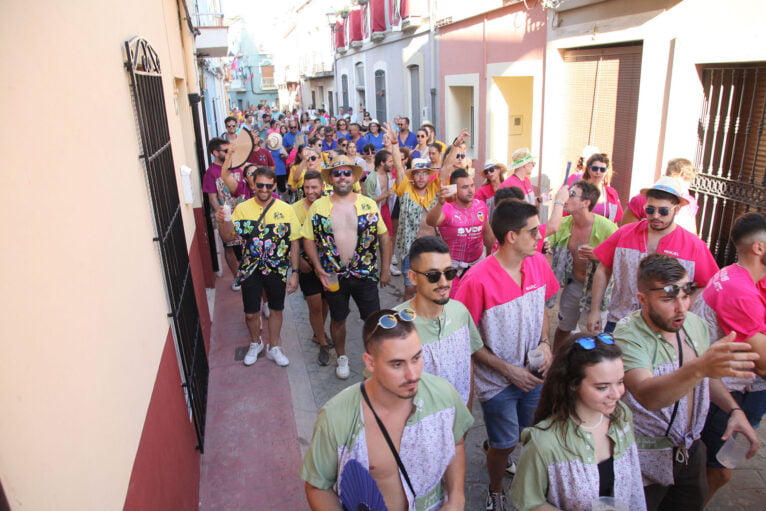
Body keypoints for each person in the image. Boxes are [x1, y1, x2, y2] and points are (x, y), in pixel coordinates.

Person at [613, 254, 760, 511]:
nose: (682, 307)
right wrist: (700, 367)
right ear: (643, 299)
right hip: (641, 458)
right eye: (668, 299)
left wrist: (734, 410)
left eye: (686, 294)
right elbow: (648, 396)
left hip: (690, 451)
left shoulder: (695, 325)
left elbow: (705, 378)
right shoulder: (628, 335)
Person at [300, 309, 473, 510]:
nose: (412, 375)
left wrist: (456, 498)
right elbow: (317, 487)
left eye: (416, 358)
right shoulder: (337, 417)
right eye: (397, 364)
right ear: (370, 363)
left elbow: (456, 443)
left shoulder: (443, 395)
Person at [455, 199, 559, 510]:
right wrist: (506, 369)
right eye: (533, 231)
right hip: (497, 383)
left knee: (530, 433)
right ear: (511, 236)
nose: (540, 236)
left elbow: (541, 305)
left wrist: (545, 343)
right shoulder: (476, 279)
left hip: (534, 375)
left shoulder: (538, 263)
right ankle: (496, 489)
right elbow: (466, 339)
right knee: (505, 443)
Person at [510, 333, 647, 511]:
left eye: (620, 382)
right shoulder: (544, 442)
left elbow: (634, 483)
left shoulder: (621, 416)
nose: (616, 394)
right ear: (573, 384)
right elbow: (528, 502)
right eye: (602, 387)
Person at [691, 212, 766, 501]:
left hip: (730, 390)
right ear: (758, 248)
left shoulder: (739, 276)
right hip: (720, 395)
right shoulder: (738, 290)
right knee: (718, 470)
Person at [587, 177, 719, 333]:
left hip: (666, 329)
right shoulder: (624, 233)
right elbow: (603, 269)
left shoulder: (694, 245)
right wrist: (594, 310)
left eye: (663, 211)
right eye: (650, 210)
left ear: (676, 210)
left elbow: (707, 284)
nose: (656, 215)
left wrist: (684, 309)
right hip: (620, 322)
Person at [302, 156, 392, 379]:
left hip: (365, 273)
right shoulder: (318, 206)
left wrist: (386, 268)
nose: (342, 177)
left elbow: (384, 237)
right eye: (337, 173)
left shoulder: (367, 204)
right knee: (338, 318)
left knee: (372, 320)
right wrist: (317, 267)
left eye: (346, 173)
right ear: (330, 179)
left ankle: (374, 360)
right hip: (333, 276)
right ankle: (342, 357)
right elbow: (307, 238)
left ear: (354, 177)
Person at [215, 167, 302, 368]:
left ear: (274, 185)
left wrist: (295, 272)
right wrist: (222, 221)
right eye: (260, 185)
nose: (264, 189)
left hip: (277, 269)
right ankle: (256, 342)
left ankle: (274, 347)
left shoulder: (286, 210)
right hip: (250, 268)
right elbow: (228, 237)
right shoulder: (242, 209)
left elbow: (295, 242)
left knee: (276, 309)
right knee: (251, 313)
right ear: (253, 185)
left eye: (268, 185)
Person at [394, 236, 482, 406]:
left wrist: (466, 414)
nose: (443, 283)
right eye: (433, 275)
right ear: (412, 277)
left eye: (449, 273)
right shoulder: (395, 325)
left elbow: (467, 365)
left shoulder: (460, 312)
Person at [547, 180, 618, 344]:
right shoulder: (564, 225)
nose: (566, 198)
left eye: (572, 195)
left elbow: (620, 260)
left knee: (594, 335)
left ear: (586, 203)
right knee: (563, 327)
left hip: (597, 290)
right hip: (573, 285)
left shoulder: (607, 228)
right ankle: (558, 361)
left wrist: (599, 255)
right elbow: (545, 245)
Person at [426, 167, 493, 298]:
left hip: (477, 265)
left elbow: (488, 234)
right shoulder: (447, 209)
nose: (470, 190)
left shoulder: (481, 206)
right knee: (454, 307)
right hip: (452, 269)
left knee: (476, 304)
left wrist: (490, 260)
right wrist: (439, 204)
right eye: (465, 187)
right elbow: (431, 221)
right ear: (455, 189)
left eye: (472, 186)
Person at [292, 170, 332, 366]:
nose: (310, 191)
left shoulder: (330, 205)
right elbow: (290, 239)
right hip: (306, 265)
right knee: (314, 303)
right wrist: (299, 261)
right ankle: (323, 342)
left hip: (329, 264)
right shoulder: (294, 209)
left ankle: (318, 333)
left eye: (314, 187)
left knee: (326, 303)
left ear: (322, 187)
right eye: (307, 187)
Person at [201, 138, 246, 291]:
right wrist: (221, 215)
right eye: (225, 151)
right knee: (229, 248)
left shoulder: (236, 166)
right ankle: (237, 278)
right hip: (227, 216)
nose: (229, 154)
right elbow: (212, 197)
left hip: (244, 214)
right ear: (215, 152)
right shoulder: (211, 173)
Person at [623, 158, 700, 234]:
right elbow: (625, 233)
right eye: (650, 209)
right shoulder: (640, 199)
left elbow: (692, 234)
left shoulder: (689, 202)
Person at [580, 153, 623, 223]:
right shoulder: (578, 190)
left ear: (606, 172)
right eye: (594, 168)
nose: (598, 172)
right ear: (588, 169)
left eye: (602, 169)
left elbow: (615, 222)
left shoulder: (611, 193)